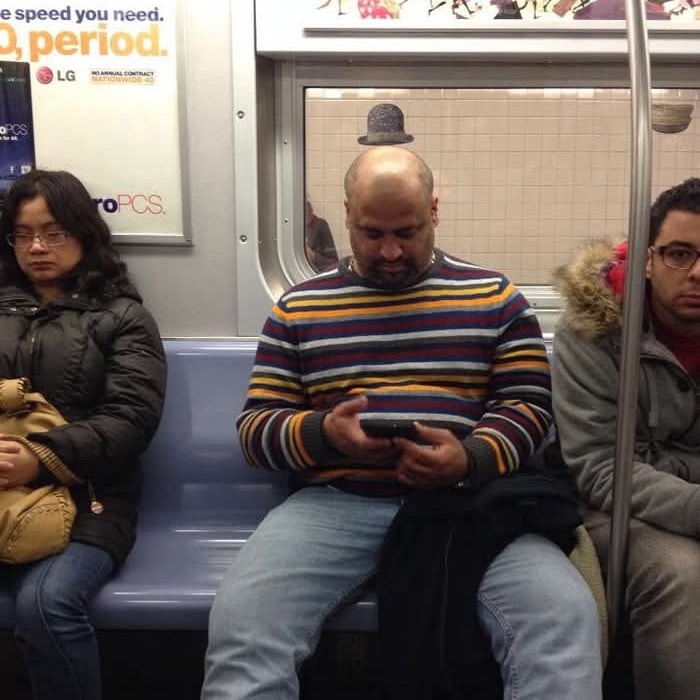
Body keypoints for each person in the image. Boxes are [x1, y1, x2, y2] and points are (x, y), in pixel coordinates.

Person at [201, 146, 602, 700]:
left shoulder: (495, 298)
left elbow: (528, 407)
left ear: (434, 211)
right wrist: (325, 435)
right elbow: (256, 429)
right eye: (372, 233)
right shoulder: (299, 307)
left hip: (468, 506)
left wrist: (469, 458)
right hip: (335, 503)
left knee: (564, 620)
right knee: (243, 632)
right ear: (347, 216)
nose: (390, 252)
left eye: (407, 233)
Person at [0, 169, 167, 700]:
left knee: (46, 603)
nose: (37, 248)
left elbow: (131, 419)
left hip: (90, 497)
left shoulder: (122, 317)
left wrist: (39, 458)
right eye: (23, 235)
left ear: (84, 234)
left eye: (53, 233)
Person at [551, 176, 700, 700]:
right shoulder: (596, 330)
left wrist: (667, 465)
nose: (697, 273)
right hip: (611, 508)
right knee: (682, 575)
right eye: (679, 253)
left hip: (660, 487)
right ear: (647, 259)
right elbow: (600, 467)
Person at [304, 199, 338, 272]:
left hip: (317, 271)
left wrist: (314, 256)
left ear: (311, 211)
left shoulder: (320, 225)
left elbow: (334, 263)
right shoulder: (296, 227)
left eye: (307, 214)